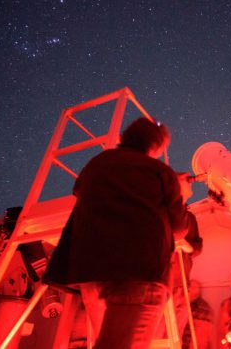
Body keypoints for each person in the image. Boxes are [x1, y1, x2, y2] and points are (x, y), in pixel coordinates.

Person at [43, 117, 189, 349]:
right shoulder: (161, 172)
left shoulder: (96, 164)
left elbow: (82, 190)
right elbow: (179, 230)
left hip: (91, 275)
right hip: (140, 275)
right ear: (155, 145)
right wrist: (181, 193)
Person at [155, 172, 203, 339]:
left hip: (183, 284)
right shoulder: (161, 213)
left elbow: (198, 246)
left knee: (177, 333)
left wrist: (189, 247)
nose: (190, 181)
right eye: (185, 179)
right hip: (164, 283)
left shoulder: (189, 217)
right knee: (159, 334)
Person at [182, 280, 214, 349]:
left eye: (192, 287)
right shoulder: (183, 304)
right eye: (189, 287)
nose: (189, 289)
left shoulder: (203, 307)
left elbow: (203, 333)